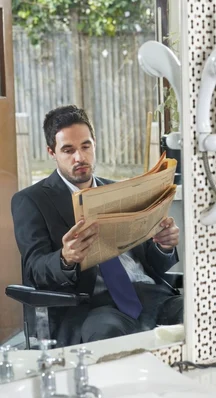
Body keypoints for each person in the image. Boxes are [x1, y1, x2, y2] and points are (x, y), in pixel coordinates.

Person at [11, 105, 183, 347]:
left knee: (196, 314)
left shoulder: (118, 191)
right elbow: (35, 268)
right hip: (94, 305)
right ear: (52, 152)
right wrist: (65, 258)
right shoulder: (31, 201)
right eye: (68, 150)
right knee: (109, 335)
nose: (79, 157)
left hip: (151, 294)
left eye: (85, 146)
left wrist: (163, 246)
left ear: (94, 143)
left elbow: (153, 264)